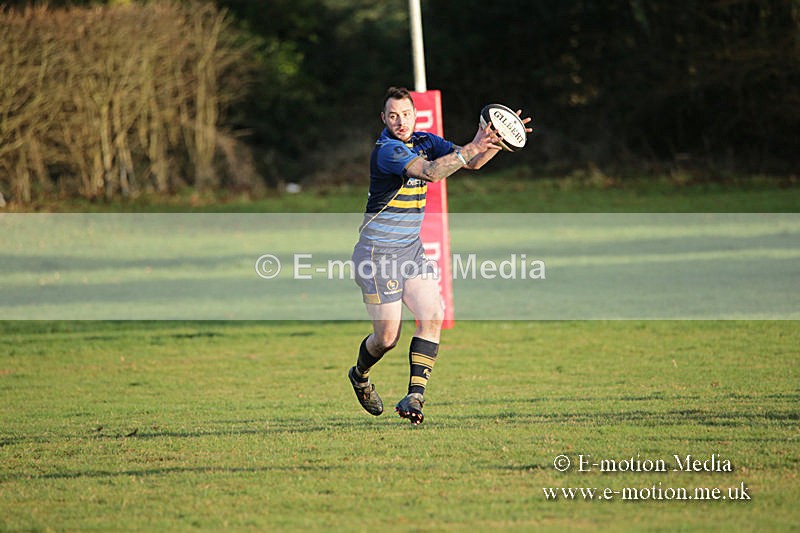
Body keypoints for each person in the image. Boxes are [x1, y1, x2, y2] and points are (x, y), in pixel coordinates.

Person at [348, 86, 532, 425]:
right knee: (387, 337)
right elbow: (431, 172)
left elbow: (471, 161)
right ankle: (360, 375)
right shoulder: (387, 151)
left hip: (410, 250)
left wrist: (492, 137)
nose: (400, 121)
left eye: (405, 114)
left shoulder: (425, 140)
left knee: (432, 314)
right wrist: (474, 146)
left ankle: (414, 397)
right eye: (392, 115)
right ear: (384, 119)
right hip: (377, 254)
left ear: (414, 114)